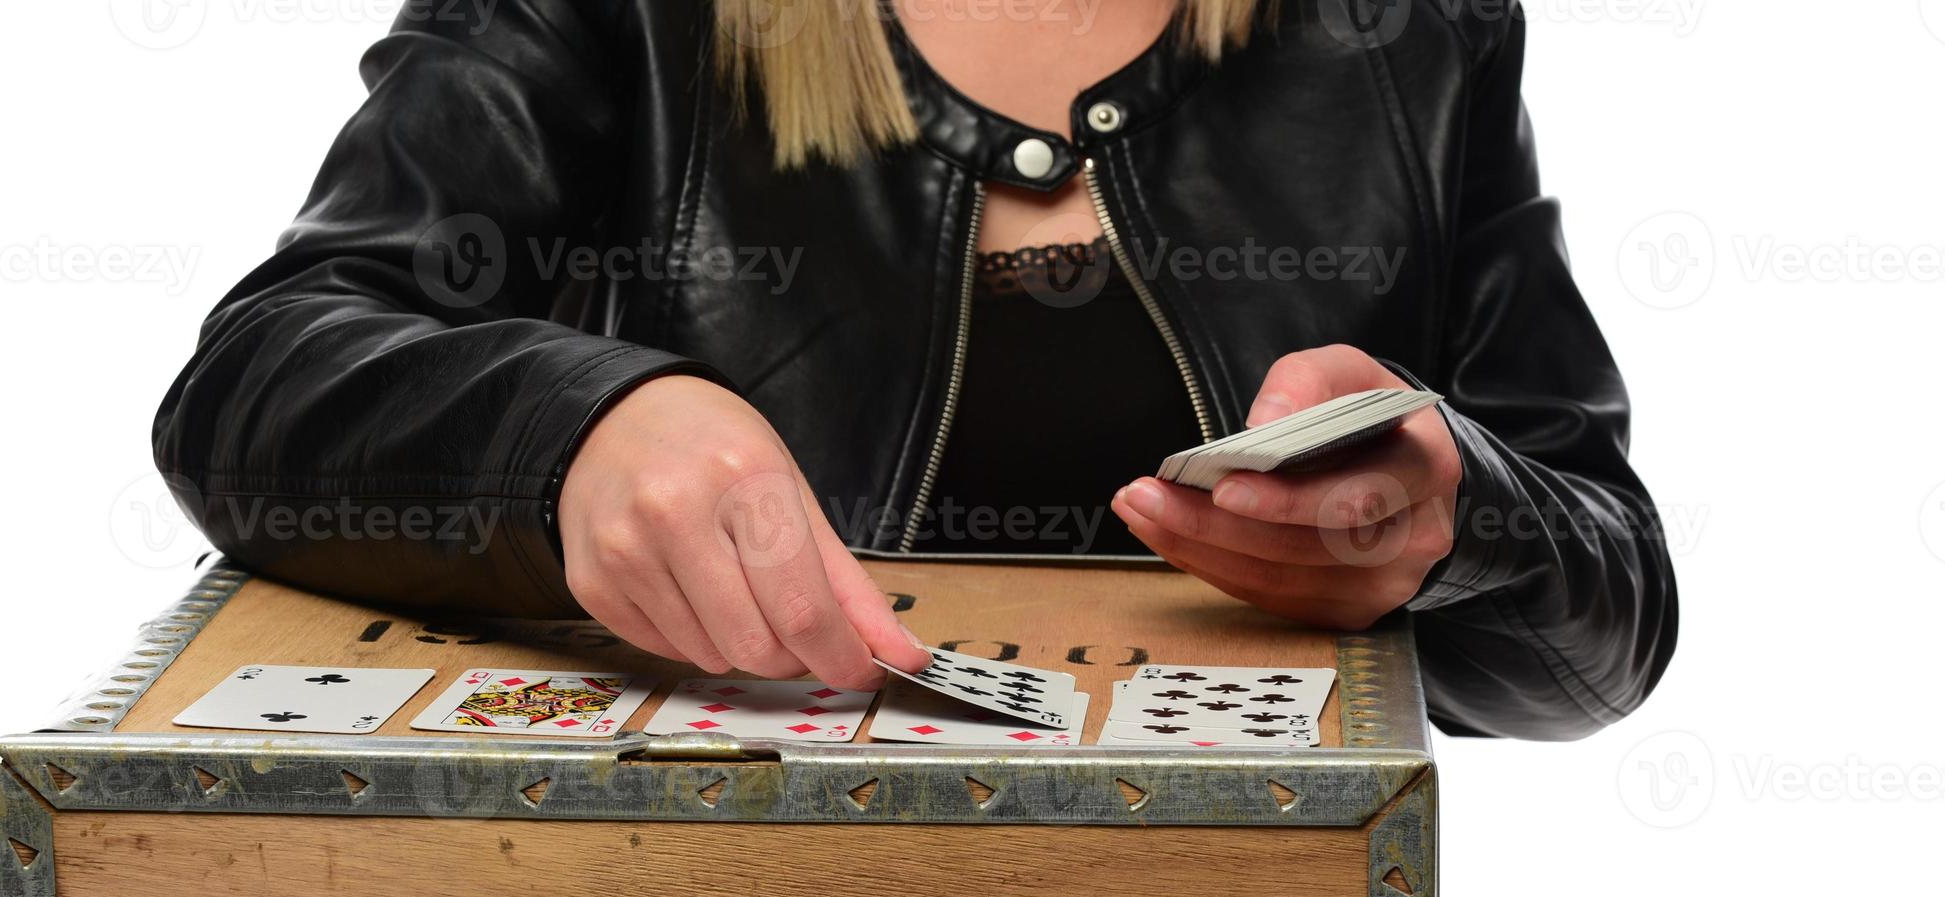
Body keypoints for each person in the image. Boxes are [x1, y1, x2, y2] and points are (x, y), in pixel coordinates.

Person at [153, 0, 1677, 740]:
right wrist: (572, 433)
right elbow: (258, 388)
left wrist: (1447, 520)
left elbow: (1605, 624)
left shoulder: (1409, 30)